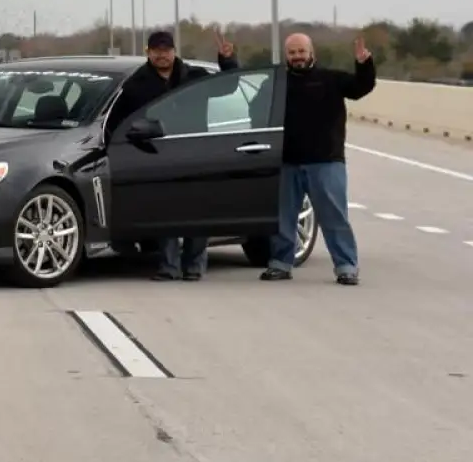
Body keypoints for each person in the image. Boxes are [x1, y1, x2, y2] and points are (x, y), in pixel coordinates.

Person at [105, 29, 240, 280]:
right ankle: (169, 267)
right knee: (166, 212)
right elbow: (119, 120)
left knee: (199, 213)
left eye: (166, 50)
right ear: (149, 52)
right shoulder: (136, 84)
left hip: (196, 151)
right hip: (160, 155)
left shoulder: (194, 77)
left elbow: (228, 87)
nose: (162, 55)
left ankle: (194, 266)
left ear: (174, 51)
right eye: (156, 51)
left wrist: (228, 61)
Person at [262, 32, 376, 285]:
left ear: (312, 52)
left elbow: (360, 88)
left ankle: (346, 266)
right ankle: (280, 264)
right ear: (286, 55)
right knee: (283, 218)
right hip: (287, 161)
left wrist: (364, 63)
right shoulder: (277, 82)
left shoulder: (331, 79)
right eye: (292, 53)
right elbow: (255, 108)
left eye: (301, 51)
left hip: (325, 161)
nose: (297, 57)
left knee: (334, 217)